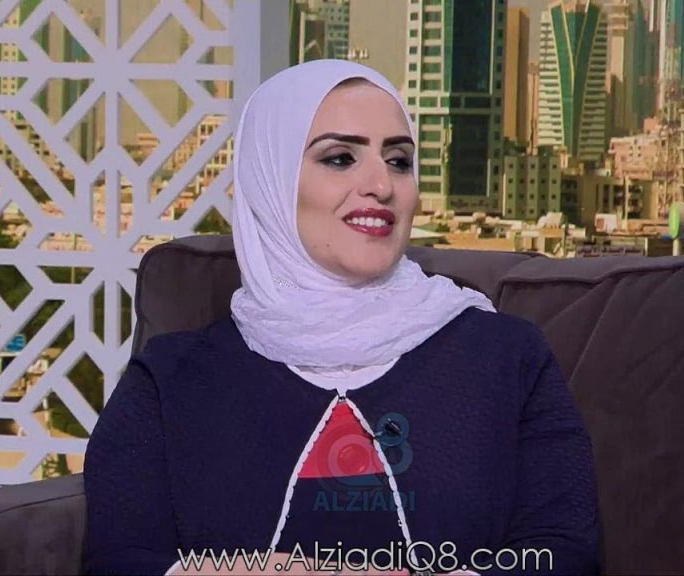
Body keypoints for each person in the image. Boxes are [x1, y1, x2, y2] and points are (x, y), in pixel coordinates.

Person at [82, 59, 600, 575]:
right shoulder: (172, 379)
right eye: (339, 158)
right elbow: (118, 561)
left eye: (399, 160)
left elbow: (565, 553)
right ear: (271, 180)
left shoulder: (506, 357)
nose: (381, 184)